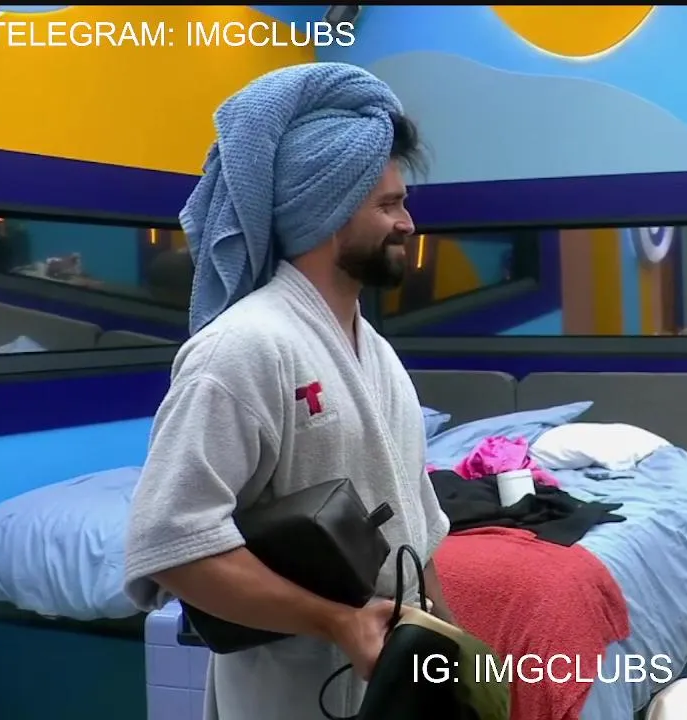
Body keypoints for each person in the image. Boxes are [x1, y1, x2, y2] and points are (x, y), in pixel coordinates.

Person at [121, 63, 455, 720]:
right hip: (293, 693)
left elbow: (417, 528)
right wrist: (336, 621)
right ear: (328, 212)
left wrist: (452, 652)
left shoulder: (377, 353)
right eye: (388, 205)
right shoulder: (242, 348)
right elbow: (169, 543)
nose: (408, 224)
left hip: (390, 686)